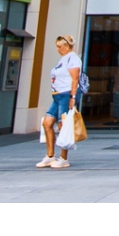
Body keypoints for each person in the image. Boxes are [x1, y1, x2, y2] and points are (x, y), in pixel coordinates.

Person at [38, 34, 82, 169]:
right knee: (47, 123)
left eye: (60, 47)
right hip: (57, 95)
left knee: (63, 125)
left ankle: (63, 158)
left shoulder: (73, 59)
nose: (58, 49)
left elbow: (75, 79)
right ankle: (50, 155)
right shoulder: (63, 59)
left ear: (67, 46)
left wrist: (72, 98)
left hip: (66, 94)